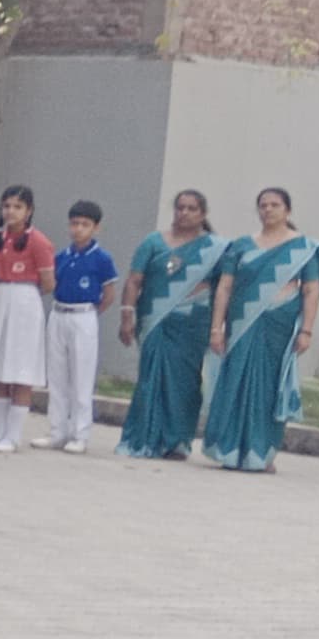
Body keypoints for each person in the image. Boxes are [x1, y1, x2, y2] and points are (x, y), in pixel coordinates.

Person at [199, 187, 319, 474]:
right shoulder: (241, 246)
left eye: (275, 205)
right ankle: (229, 450)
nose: (268, 210)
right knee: (235, 381)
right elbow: (225, 287)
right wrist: (217, 328)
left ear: (287, 210)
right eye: (263, 205)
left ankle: (260, 452)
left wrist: (306, 330)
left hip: (279, 325)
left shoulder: (304, 248)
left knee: (268, 388)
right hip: (242, 324)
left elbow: (311, 290)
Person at [119, 191, 225, 460]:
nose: (184, 213)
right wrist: (127, 316)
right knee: (150, 379)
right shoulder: (153, 242)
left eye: (191, 208)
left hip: (193, 323)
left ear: (202, 214)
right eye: (180, 207)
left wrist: (218, 327)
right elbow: (134, 280)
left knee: (185, 384)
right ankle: (142, 438)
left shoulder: (216, 249)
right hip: (155, 319)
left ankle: (176, 441)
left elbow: (224, 289)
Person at [0, 186, 55, 452]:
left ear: (29, 211)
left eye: (17, 207)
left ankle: (13, 435)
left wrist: (23, 295)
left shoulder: (38, 242)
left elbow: (48, 282)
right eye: (7, 206)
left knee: (20, 369)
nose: (11, 211)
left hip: (23, 302)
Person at [46, 201, 117, 452]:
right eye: (74, 224)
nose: (78, 229)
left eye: (85, 225)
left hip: (83, 315)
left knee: (81, 377)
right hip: (59, 312)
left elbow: (109, 294)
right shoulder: (61, 257)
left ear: (96, 228)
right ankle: (57, 431)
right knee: (57, 376)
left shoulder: (102, 258)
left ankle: (80, 434)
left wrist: (92, 313)